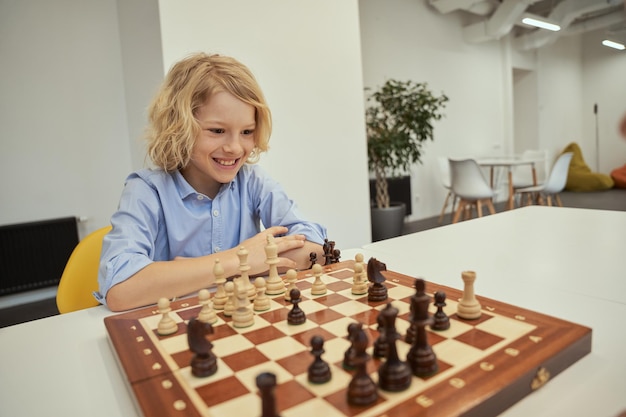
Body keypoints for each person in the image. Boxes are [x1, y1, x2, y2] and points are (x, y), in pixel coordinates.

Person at [96, 53, 327, 312]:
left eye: (247, 132)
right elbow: (121, 290)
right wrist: (238, 260)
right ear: (179, 126)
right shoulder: (146, 191)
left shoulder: (253, 182)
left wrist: (191, 272)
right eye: (217, 131)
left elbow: (315, 249)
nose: (234, 147)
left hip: (242, 320)